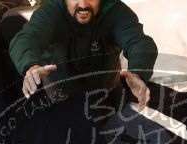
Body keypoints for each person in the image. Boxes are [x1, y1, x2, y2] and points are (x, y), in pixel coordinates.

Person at [8, 0, 158, 106]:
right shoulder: (52, 10)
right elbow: (27, 38)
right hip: (60, 91)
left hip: (105, 88)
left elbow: (138, 41)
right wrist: (31, 66)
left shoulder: (117, 12)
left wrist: (137, 72)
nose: (83, 4)